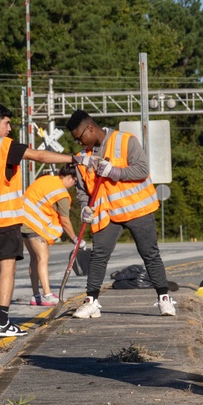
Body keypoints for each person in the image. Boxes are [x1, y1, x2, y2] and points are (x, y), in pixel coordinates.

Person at [0, 103, 81, 338]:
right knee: (7, 268)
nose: (10, 128)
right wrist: (73, 158)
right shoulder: (3, 145)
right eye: (6, 123)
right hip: (3, 217)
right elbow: (40, 156)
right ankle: (3, 322)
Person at [64, 109, 176, 319]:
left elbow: (142, 170)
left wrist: (116, 172)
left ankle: (164, 299)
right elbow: (81, 189)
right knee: (99, 256)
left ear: (90, 128)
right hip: (107, 213)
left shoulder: (125, 141)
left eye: (80, 138)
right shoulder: (82, 158)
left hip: (136, 209)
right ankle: (91, 301)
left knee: (150, 254)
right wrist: (84, 207)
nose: (79, 143)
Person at [21, 164, 82, 306]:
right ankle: (47, 295)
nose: (74, 184)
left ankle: (36, 296)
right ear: (69, 177)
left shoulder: (46, 179)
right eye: (75, 181)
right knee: (43, 257)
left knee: (35, 259)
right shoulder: (61, 194)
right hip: (35, 226)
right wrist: (75, 238)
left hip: (22, 221)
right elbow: (65, 221)